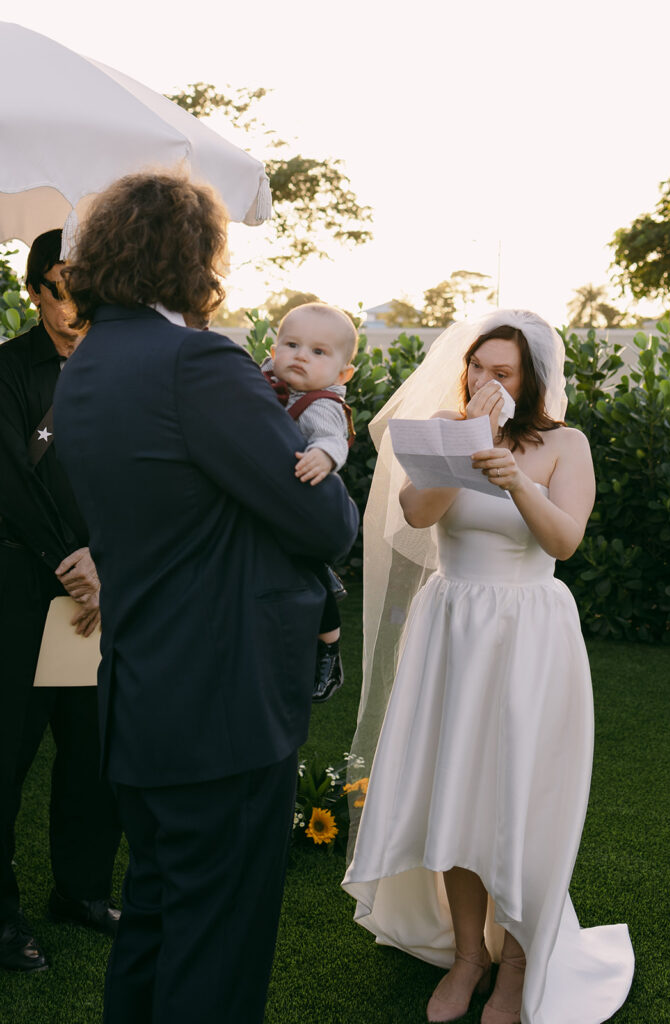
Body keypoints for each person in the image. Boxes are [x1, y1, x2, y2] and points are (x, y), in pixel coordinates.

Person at [54, 171, 358, 1024]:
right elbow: (324, 520)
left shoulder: (89, 363)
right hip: (222, 697)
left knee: (155, 912)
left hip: (143, 683)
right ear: (194, 257)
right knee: (217, 935)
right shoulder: (198, 361)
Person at [342, 310, 634, 1024]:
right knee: (453, 789)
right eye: (476, 367)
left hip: (526, 632)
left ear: (529, 379)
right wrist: (462, 450)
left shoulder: (565, 444)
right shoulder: (446, 427)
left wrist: (515, 481)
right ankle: (468, 953)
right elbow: (415, 514)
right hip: (450, 627)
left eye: (500, 372)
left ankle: (519, 962)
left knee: (515, 797)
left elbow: (563, 542)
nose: (483, 381)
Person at [0, 230, 122, 973]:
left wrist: (108, 563)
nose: (72, 301)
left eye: (86, 282)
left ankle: (79, 889)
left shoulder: (124, 369)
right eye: (59, 284)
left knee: (96, 749)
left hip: (108, 591)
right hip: (20, 585)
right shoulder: (10, 369)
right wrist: (67, 561)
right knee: (8, 752)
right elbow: (9, 478)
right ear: (34, 291)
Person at [262, 302, 357, 701]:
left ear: (343, 373)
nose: (300, 355)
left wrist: (324, 455)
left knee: (310, 575)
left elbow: (332, 439)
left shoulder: (321, 404)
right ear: (273, 351)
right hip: (268, 500)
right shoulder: (263, 380)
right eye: (292, 344)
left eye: (318, 352)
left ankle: (329, 646)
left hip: (302, 500)